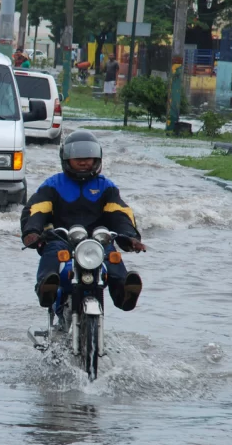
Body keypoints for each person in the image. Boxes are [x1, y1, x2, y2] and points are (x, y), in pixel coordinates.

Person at [20, 130, 146, 311]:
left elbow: (120, 213)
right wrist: (32, 231)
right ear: (66, 158)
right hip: (62, 240)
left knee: (112, 257)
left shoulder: (106, 187)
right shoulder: (53, 185)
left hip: (97, 242)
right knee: (52, 252)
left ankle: (124, 293)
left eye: (88, 157)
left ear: (97, 159)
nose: (83, 161)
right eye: (77, 157)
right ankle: (46, 288)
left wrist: (129, 237)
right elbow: (37, 209)